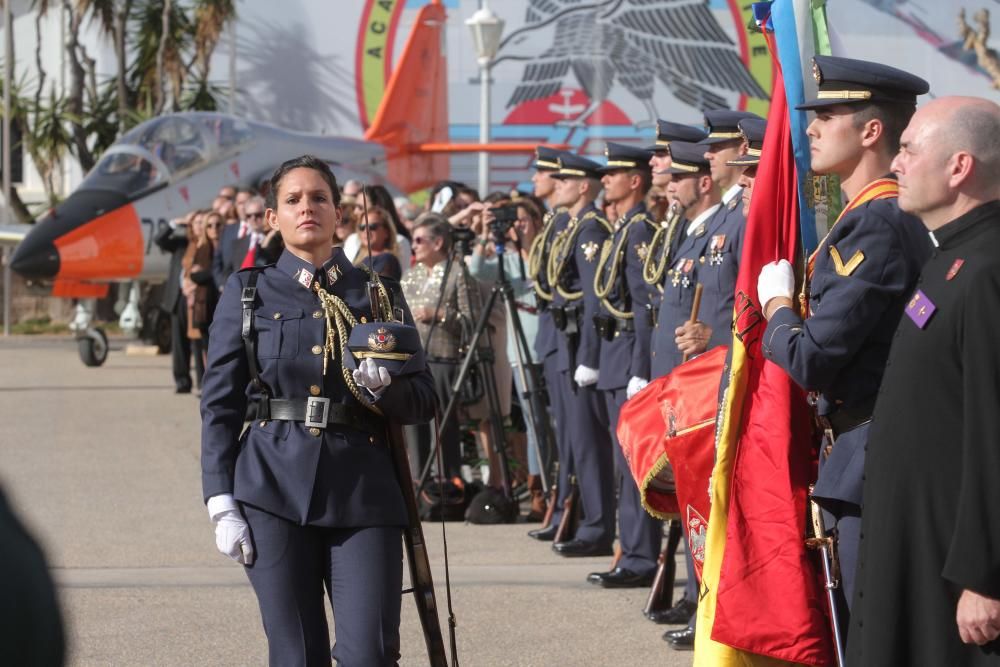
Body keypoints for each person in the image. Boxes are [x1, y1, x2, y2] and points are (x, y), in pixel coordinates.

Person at [200, 155, 435, 666]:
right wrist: (219, 499)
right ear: (272, 218)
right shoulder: (248, 293)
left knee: (370, 654)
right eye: (293, 200)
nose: (307, 207)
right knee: (296, 654)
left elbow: (424, 400)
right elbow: (218, 404)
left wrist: (385, 391)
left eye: (319, 198)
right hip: (270, 487)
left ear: (338, 212)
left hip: (363, 492)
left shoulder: (379, 293)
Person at [756, 55, 932, 628]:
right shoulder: (865, 216)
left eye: (827, 114)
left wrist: (777, 307)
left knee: (869, 630)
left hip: (871, 450)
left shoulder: (877, 222)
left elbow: (812, 357)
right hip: (856, 447)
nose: (810, 127)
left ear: (871, 130)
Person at [847, 97, 1000, 666]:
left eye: (909, 149)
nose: (894, 164)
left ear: (959, 167)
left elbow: (993, 432)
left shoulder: (987, 271)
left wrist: (985, 575)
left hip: (953, 570)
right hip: (911, 546)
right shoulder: (949, 259)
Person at [580, 143, 657, 563]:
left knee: (630, 466)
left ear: (635, 180)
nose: (604, 179)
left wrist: (641, 367)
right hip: (614, 352)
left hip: (628, 353)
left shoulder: (640, 229)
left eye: (614, 173)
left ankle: (639, 555)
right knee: (619, 462)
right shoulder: (624, 227)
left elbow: (644, 302)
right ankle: (628, 550)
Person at [543, 153, 616, 559]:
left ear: (584, 186)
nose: (558, 186)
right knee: (576, 440)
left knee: (589, 443)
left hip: (579, 345)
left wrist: (589, 357)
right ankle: (589, 521)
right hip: (566, 341)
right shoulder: (575, 226)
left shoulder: (590, 230)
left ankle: (597, 525)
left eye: (566, 181)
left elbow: (593, 299)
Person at [468, 197, 548, 518]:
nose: (518, 226)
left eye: (524, 220)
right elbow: (476, 269)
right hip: (521, 349)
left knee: (552, 422)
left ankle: (561, 486)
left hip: (549, 345)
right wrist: (488, 235)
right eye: (514, 221)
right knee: (533, 421)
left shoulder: (545, 253)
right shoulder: (510, 261)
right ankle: (538, 488)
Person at [400, 213, 475, 483]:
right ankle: (419, 486)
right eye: (412, 240)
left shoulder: (458, 274)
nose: (414, 245)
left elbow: (472, 322)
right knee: (414, 427)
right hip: (413, 362)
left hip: (445, 360)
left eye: (420, 240)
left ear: (438, 242)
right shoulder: (409, 276)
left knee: (442, 429)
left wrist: (440, 314)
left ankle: (448, 486)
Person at [525, 147, 576, 542]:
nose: (539, 182)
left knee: (572, 435)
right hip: (552, 334)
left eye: (547, 176)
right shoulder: (554, 222)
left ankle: (573, 512)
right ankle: (564, 509)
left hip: (566, 338)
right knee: (562, 433)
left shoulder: (568, 224)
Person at [156, 211, 193, 393]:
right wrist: (174, 224)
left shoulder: (206, 245)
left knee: (198, 342)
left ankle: (204, 382)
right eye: (189, 225)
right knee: (178, 343)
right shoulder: (180, 245)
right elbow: (159, 239)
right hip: (177, 298)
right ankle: (182, 381)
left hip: (196, 298)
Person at [354, 205, 403, 280]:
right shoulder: (359, 258)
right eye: (362, 227)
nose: (366, 231)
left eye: (372, 226)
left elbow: (379, 289)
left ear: (387, 232)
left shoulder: (388, 259)